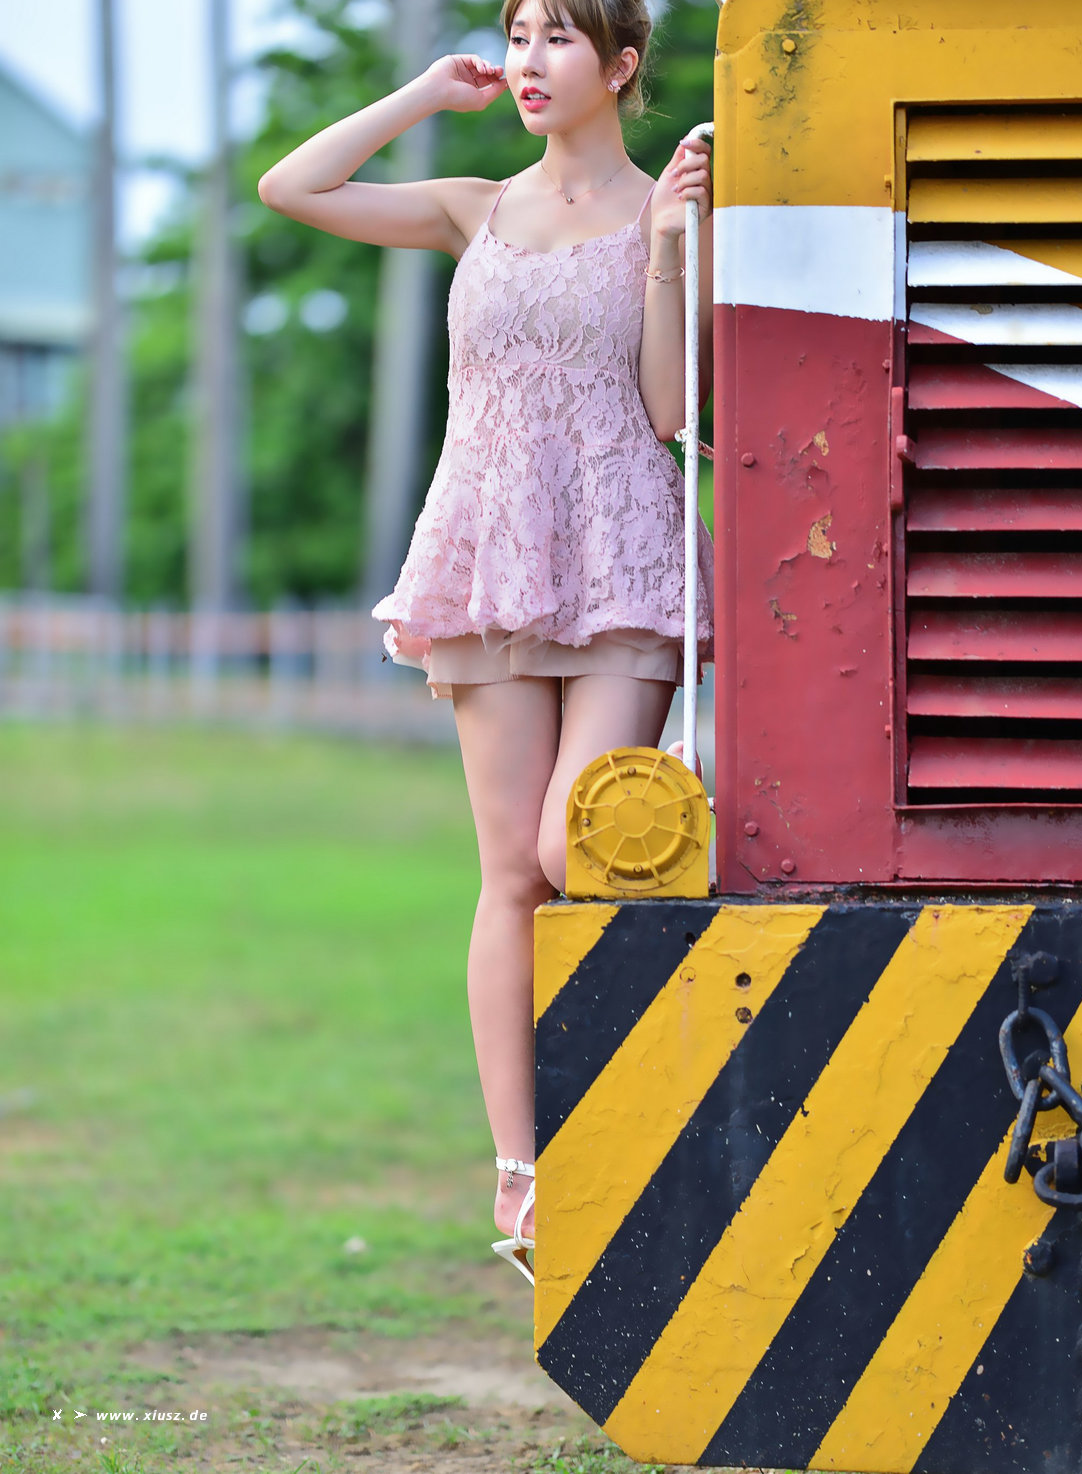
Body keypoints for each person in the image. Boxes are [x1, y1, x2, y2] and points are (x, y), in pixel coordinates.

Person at [258, 0, 714, 1285]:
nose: (527, 60)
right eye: (518, 34)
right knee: (511, 873)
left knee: (582, 846)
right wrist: (420, 94)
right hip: (491, 558)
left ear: (620, 65)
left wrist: (667, 244)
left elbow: (668, 409)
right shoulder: (474, 207)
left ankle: (629, 1114)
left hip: (621, 559)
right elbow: (291, 187)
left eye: (558, 37)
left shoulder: (668, 207)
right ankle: (523, 1169)